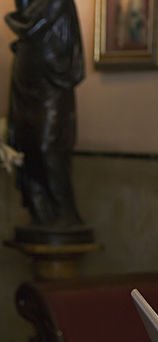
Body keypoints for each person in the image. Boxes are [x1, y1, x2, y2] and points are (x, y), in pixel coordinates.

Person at [5, 0, 86, 234]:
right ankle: (40, 211)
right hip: (27, 79)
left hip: (51, 82)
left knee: (46, 146)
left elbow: (29, 24)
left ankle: (64, 212)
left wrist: (9, 19)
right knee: (26, 144)